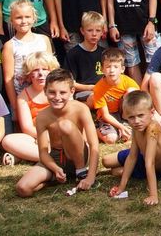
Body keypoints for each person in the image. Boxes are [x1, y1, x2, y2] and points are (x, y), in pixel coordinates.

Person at [14, 69, 99, 197]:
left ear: (72, 91)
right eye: (52, 92)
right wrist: (55, 168)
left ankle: (81, 172)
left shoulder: (81, 108)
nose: (57, 97)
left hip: (79, 155)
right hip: (56, 157)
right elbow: (43, 153)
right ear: (45, 91)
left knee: (65, 125)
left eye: (62, 92)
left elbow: (94, 145)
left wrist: (91, 177)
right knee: (23, 188)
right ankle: (56, 178)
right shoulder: (42, 116)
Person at [104, 90, 161, 206]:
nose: (136, 121)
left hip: (160, 168)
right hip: (144, 155)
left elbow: (150, 162)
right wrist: (121, 187)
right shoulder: (136, 128)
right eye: (131, 117)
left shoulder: (153, 128)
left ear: (151, 113)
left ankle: (114, 171)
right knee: (106, 160)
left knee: (116, 171)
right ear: (126, 117)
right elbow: (132, 156)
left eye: (140, 115)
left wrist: (153, 195)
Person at [1, 51, 61, 163]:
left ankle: (24, 156)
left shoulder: (61, 90)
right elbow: (27, 127)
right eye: (36, 70)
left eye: (45, 69)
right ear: (29, 74)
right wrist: (44, 136)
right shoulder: (23, 97)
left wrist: (53, 136)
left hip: (60, 133)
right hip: (35, 136)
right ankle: (54, 157)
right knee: (7, 140)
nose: (41, 74)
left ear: (52, 71)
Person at [2, 0, 54, 109]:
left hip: (46, 97)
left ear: (34, 18)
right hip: (23, 101)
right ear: (11, 20)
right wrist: (15, 106)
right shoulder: (10, 46)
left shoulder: (44, 40)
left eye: (27, 17)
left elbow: (51, 69)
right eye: (18, 18)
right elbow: (8, 79)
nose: (23, 21)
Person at [91, 48, 138, 144]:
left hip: (124, 113)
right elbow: (105, 115)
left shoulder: (128, 82)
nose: (112, 70)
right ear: (102, 69)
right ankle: (95, 130)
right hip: (108, 115)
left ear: (122, 69)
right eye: (108, 67)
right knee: (111, 139)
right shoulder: (98, 88)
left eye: (116, 67)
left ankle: (126, 123)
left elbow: (141, 102)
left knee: (132, 92)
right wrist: (120, 127)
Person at [65, 12, 106, 101]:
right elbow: (70, 83)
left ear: (102, 32)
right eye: (90, 30)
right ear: (82, 31)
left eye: (98, 30)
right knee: (96, 97)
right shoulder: (73, 54)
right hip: (84, 92)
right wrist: (92, 88)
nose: (94, 34)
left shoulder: (105, 53)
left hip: (105, 90)